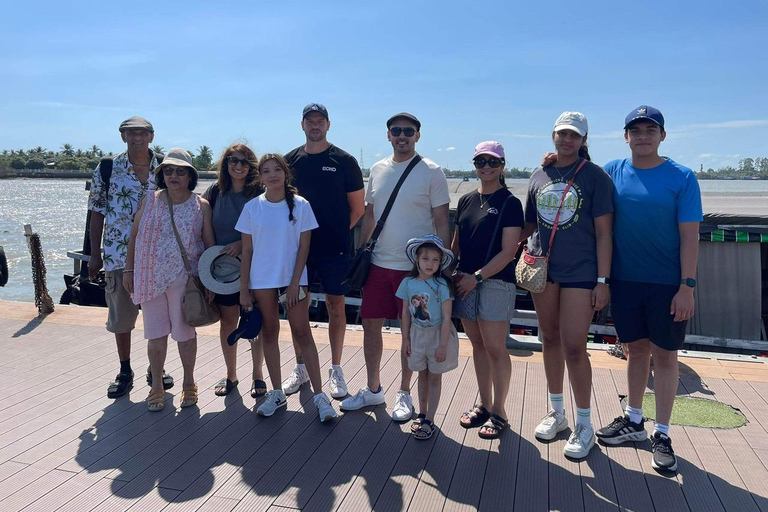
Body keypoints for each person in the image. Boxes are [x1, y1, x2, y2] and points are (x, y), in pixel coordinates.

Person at [595, 106, 702, 472]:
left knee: (666, 356)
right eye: (635, 130)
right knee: (635, 350)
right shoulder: (612, 171)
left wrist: (687, 286)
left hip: (667, 284)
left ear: (662, 136)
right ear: (626, 136)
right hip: (625, 281)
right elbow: (580, 178)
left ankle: (663, 432)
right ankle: (634, 420)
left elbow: (690, 237)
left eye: (650, 129)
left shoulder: (682, 177)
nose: (642, 135)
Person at [341, 112, 450, 422]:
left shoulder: (432, 172)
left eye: (408, 131)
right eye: (396, 131)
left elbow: (442, 220)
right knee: (370, 326)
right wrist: (361, 251)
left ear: (417, 135)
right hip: (377, 263)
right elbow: (370, 215)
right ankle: (374, 389)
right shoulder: (377, 170)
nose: (402, 136)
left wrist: (442, 266)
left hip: (414, 268)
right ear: (387, 135)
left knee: (411, 332)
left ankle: (404, 392)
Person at [522, 112, 614, 459]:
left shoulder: (595, 178)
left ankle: (585, 423)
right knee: (549, 339)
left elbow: (605, 233)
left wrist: (603, 280)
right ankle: (557, 412)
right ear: (553, 136)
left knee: (575, 346)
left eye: (574, 135)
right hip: (545, 272)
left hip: (581, 271)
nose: (567, 140)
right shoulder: (538, 176)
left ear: (584, 140)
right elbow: (529, 225)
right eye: (562, 134)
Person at [236, 153, 337, 422]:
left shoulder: (301, 205)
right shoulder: (251, 208)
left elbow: (304, 247)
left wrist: (295, 283)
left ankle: (320, 395)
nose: (272, 175)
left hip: (294, 280)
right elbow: (247, 250)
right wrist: (244, 288)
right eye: (266, 171)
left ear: (285, 173)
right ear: (260, 177)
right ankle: (277, 392)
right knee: (269, 332)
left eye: (277, 170)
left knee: (302, 333)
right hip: (261, 280)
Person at [88, 116, 174, 399]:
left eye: (142, 133)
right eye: (131, 133)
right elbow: (97, 211)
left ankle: (156, 367)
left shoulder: (165, 168)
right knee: (121, 317)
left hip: (156, 255)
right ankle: (125, 369)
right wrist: (94, 255)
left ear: (151, 136)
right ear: (122, 136)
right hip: (116, 253)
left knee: (158, 316)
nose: (137, 138)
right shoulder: (107, 168)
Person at [283, 103, 365, 399]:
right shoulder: (289, 161)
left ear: (328, 125)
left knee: (336, 307)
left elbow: (357, 210)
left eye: (320, 121)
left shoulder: (345, 161)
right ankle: (301, 366)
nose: (315, 125)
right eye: (310, 121)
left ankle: (337, 368)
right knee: (297, 310)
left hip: (334, 249)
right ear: (302, 125)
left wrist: (336, 231)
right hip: (296, 251)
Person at [124, 148, 215, 411]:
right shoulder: (149, 200)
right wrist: (130, 271)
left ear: (190, 176)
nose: (174, 175)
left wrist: (209, 282)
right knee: (155, 335)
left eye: (180, 171)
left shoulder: (202, 206)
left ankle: (189, 382)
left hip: (184, 280)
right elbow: (135, 236)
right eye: (168, 170)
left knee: (185, 335)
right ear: (161, 174)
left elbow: (209, 245)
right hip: (149, 276)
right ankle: (156, 387)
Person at [452, 141, 524, 439]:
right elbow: (457, 243)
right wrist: (451, 271)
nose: (486, 167)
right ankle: (483, 404)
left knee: (496, 348)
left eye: (493, 162)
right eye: (481, 161)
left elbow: (508, 252)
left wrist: (477, 278)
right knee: (478, 346)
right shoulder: (467, 200)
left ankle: (499, 411)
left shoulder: (510, 203)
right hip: (465, 281)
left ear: (502, 166)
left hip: (493, 282)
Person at [202, 144, 266, 399]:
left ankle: (258, 375)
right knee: (228, 322)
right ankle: (231, 374)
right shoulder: (215, 193)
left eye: (244, 162)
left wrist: (242, 244)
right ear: (225, 163)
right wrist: (209, 262)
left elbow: (270, 230)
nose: (238, 166)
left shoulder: (261, 194)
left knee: (254, 323)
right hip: (225, 272)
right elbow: (205, 229)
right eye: (233, 160)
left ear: (252, 166)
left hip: (257, 267)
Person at [397, 235, 458, 440]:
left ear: (441, 262)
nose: (430, 264)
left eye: (435, 260)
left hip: (437, 334)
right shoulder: (407, 282)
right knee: (421, 374)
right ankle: (422, 413)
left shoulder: (442, 285)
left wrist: (442, 345)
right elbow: (405, 312)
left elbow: (447, 316)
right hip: (416, 333)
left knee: (434, 376)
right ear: (417, 259)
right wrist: (405, 338)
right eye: (425, 259)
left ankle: (430, 418)